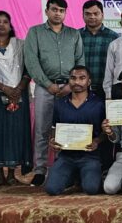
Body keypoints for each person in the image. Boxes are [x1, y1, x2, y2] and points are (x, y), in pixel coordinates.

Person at [24, 0, 85, 186]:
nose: (58, 13)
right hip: (45, 88)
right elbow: (31, 61)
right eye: (54, 9)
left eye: (61, 10)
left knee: (66, 128)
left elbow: (80, 61)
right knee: (42, 129)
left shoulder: (73, 34)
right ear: (46, 11)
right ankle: (40, 169)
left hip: (70, 89)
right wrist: (47, 84)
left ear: (65, 13)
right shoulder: (35, 32)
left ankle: (63, 167)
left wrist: (71, 85)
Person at [0, 10, 33, 185]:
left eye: (5, 22)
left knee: (15, 132)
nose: (1, 25)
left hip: (18, 95)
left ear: (10, 26)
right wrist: (4, 88)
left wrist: (18, 89)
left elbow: (28, 69)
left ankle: (11, 173)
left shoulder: (20, 44)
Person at [44, 66, 104, 196]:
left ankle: (84, 176)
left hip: (90, 156)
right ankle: (72, 177)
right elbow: (54, 127)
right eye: (73, 78)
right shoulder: (60, 103)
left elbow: (105, 132)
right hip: (66, 156)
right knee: (52, 189)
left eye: (82, 78)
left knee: (91, 189)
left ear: (89, 81)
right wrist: (53, 140)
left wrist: (97, 141)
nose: (77, 82)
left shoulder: (99, 103)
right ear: (69, 81)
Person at [79, 0, 119, 97]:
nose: (92, 17)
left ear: (102, 15)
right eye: (88, 14)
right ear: (83, 15)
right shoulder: (76, 36)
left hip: (106, 88)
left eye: (96, 13)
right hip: (80, 87)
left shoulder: (113, 37)